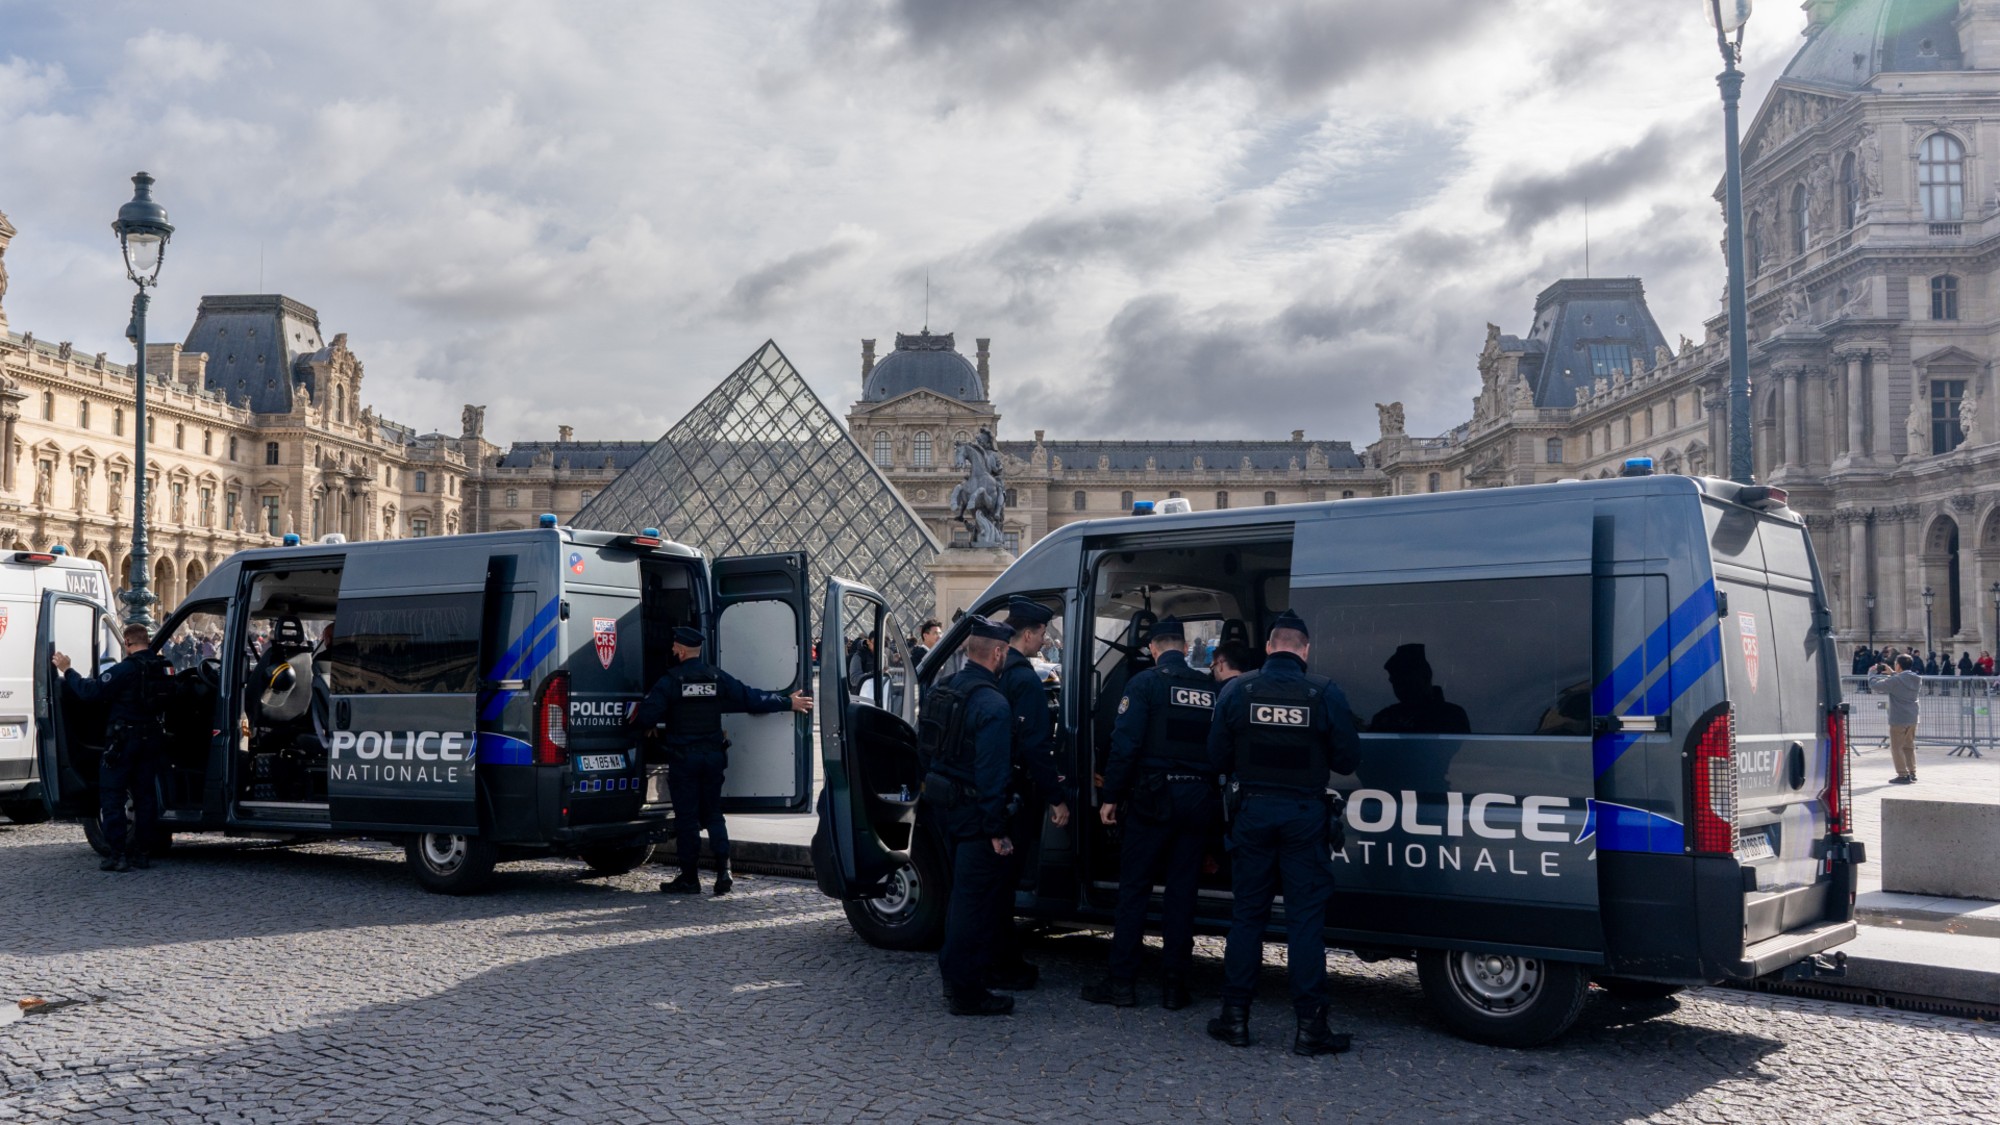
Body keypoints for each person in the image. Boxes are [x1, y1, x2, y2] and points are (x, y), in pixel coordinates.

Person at [1206, 609, 1360, 1057]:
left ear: (1271, 647)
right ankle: (1311, 1028)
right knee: (1305, 922)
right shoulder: (1324, 691)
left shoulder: (1238, 690)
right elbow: (1348, 759)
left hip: (1252, 814)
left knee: (1247, 917)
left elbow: (1216, 757)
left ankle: (1235, 1019)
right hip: (1304, 816)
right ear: (1305, 650)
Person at [1082, 617, 1220, 1011]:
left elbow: (1125, 745)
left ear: (1154, 648)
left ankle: (1122, 982)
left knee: (1135, 889)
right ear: (1184, 644)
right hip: (1197, 797)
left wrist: (1110, 796)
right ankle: (1175, 987)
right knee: (1182, 893)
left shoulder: (1145, 684)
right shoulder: (1207, 687)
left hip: (1153, 797)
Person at [633, 625, 812, 895]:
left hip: (684, 760)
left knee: (687, 819)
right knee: (715, 814)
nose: (672, 650)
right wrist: (787, 703)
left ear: (681, 650)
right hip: (713, 758)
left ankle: (690, 878)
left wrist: (650, 726)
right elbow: (751, 697)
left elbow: (646, 716)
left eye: (674, 647)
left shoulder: (671, 680)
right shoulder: (716, 677)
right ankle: (723, 872)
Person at [924, 615, 1021, 1016]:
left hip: (942, 807)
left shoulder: (943, 689)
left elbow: (924, 747)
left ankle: (955, 977)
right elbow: (993, 774)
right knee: (973, 903)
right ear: (998, 652)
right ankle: (966, 990)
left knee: (956, 896)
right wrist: (997, 828)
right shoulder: (993, 704)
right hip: (975, 814)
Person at [991, 595, 1072, 989]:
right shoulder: (1025, 679)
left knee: (994, 885)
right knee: (1006, 883)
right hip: (1020, 792)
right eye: (1042, 634)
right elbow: (1037, 745)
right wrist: (1056, 797)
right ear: (1028, 633)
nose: (1045, 641)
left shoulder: (998, 672)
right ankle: (1005, 963)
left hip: (994, 788)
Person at [52, 624, 173, 872]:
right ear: (147, 641)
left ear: (127, 643)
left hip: (123, 740)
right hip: (151, 738)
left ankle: (117, 854)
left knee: (113, 796)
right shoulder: (163, 668)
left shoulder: (125, 669)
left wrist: (68, 670)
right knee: (145, 796)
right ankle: (142, 854)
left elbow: (91, 691)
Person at [1367, 643, 1471, 734]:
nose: (1397, 685)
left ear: (1424, 676)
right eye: (1395, 680)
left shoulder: (1452, 716)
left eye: (1403, 678)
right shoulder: (1385, 718)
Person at [1868, 654, 1923, 784]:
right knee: (1909, 746)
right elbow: (1902, 681)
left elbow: (1875, 685)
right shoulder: (1916, 678)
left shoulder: (1896, 680)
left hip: (1899, 717)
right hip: (1913, 716)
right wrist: (1893, 673)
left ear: (1898, 665)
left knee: (1896, 747)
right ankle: (1912, 772)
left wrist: (1871, 672)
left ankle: (1902, 774)